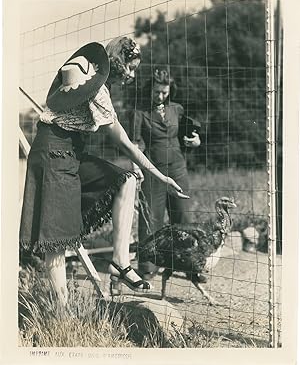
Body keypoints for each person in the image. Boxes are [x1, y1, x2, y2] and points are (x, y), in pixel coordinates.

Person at [19, 38, 188, 307]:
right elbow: (122, 141)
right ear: (117, 61)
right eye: (130, 68)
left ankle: (120, 263)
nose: (132, 75)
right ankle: (61, 313)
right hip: (52, 155)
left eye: (135, 70)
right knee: (56, 239)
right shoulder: (95, 87)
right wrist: (159, 174)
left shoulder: (101, 87)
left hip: (71, 153)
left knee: (126, 180)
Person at [129, 67, 201, 278]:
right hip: (152, 170)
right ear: (149, 89)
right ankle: (148, 268)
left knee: (183, 217)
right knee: (151, 219)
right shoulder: (139, 112)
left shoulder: (176, 109)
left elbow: (190, 135)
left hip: (178, 168)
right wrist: (135, 169)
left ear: (170, 90)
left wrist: (196, 141)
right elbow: (133, 144)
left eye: (164, 92)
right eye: (157, 91)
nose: (160, 96)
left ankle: (190, 266)